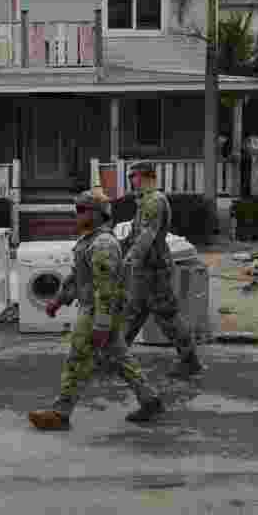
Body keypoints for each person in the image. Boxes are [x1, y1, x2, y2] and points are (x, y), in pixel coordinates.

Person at [29, 189, 164, 430]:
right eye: (77, 210)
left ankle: (60, 414)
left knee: (77, 359)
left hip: (98, 310)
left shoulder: (102, 244)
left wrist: (101, 324)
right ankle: (150, 399)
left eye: (82, 210)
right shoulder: (90, 240)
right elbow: (79, 277)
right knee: (119, 358)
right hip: (98, 309)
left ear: (97, 214)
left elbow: (106, 288)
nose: (77, 215)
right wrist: (59, 301)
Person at [121, 161, 204, 378]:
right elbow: (134, 234)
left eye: (133, 176)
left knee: (166, 316)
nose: (131, 180)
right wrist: (121, 249)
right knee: (132, 314)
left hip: (154, 269)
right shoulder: (144, 201)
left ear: (145, 176)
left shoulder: (154, 201)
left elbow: (147, 234)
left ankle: (189, 359)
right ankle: (114, 357)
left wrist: (130, 258)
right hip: (145, 268)